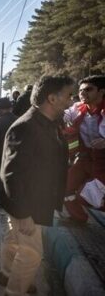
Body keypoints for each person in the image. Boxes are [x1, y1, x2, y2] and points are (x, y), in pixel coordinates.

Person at [0, 76, 73, 295]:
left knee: (14, 239)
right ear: (51, 98)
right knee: (32, 254)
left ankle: (5, 273)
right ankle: (15, 291)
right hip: (27, 205)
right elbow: (11, 174)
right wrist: (23, 214)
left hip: (36, 199)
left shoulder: (51, 122)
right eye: (69, 95)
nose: (72, 101)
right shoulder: (25, 126)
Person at [63, 75, 105, 222]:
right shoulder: (77, 109)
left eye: (88, 89)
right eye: (81, 90)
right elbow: (62, 115)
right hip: (85, 158)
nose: (82, 93)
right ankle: (78, 217)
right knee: (65, 186)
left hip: (102, 162)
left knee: (90, 195)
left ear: (101, 92)